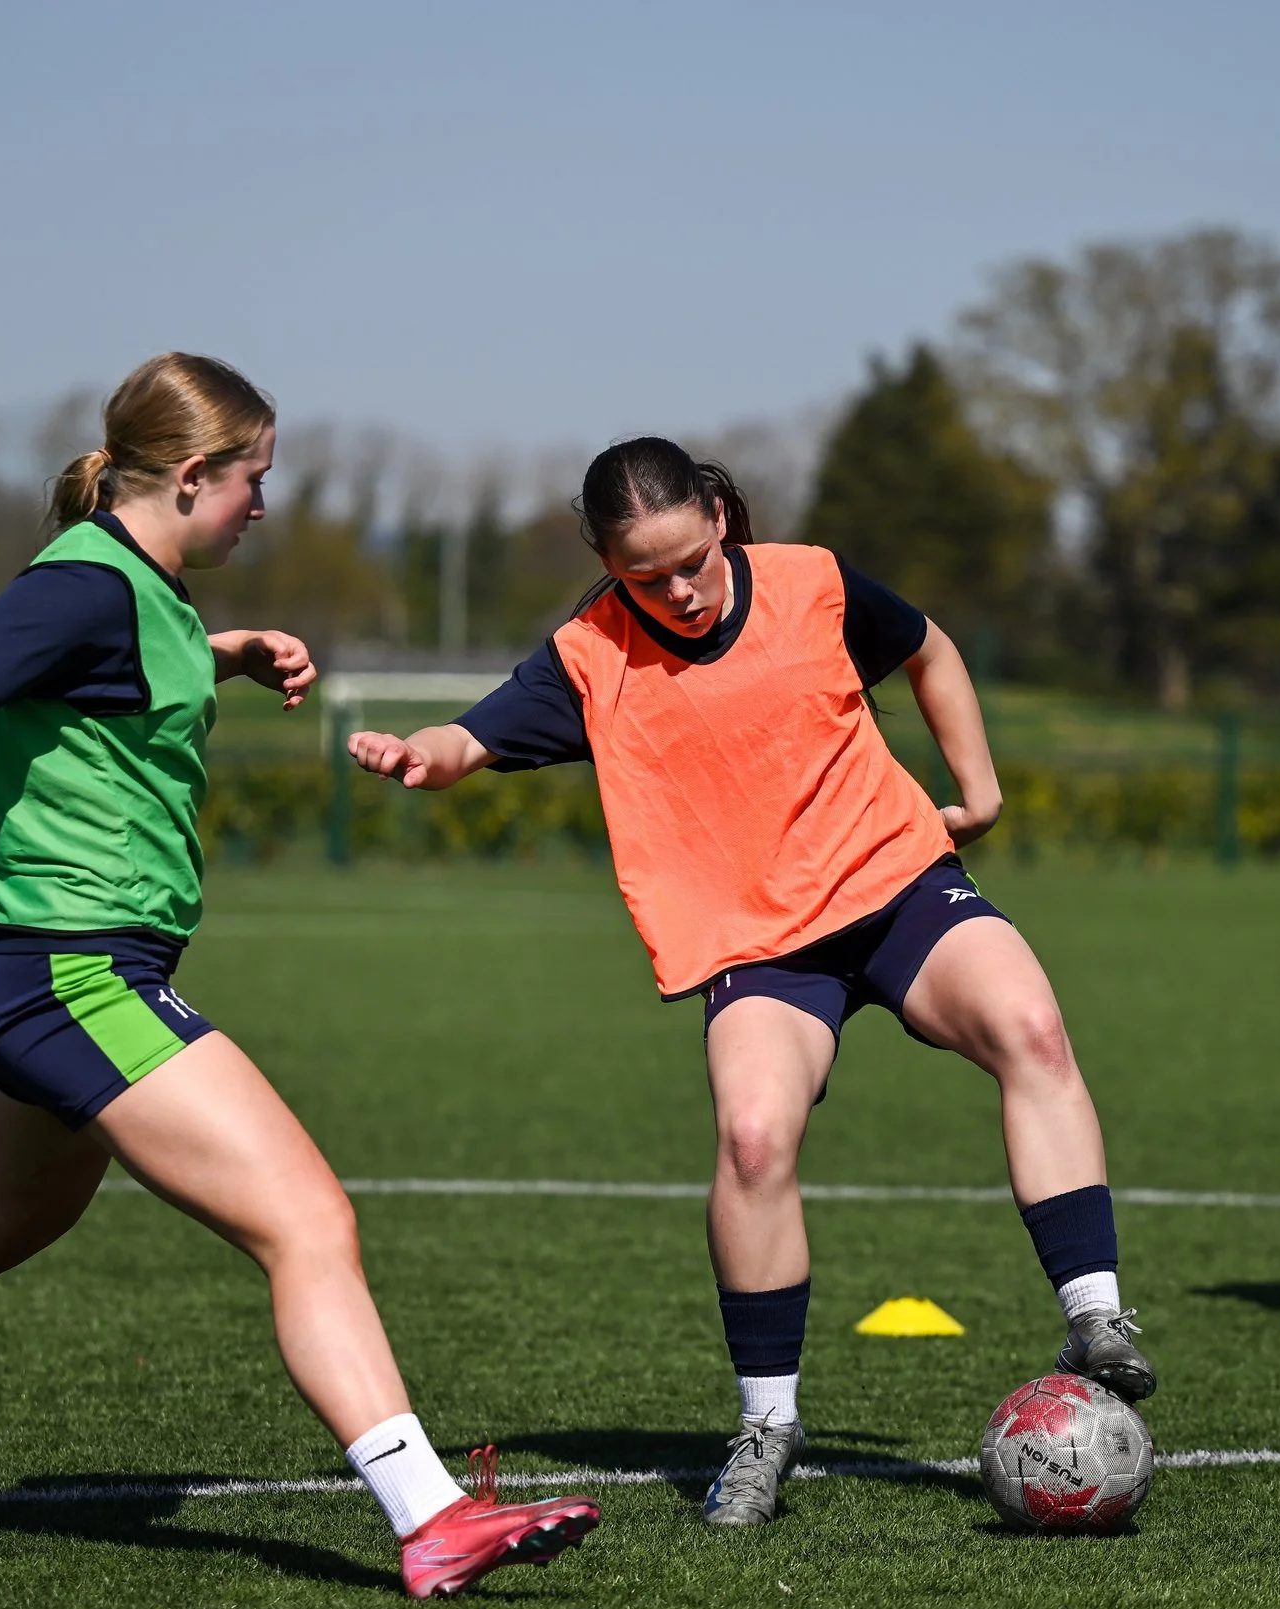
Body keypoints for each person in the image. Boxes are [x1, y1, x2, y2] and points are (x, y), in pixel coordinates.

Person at [0, 353, 598, 1598]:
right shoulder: (87, 584)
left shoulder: (145, 593)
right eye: (254, 480)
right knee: (308, 1219)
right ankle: (427, 1514)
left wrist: (229, 652)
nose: (265, 504)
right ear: (195, 475)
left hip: (45, 963)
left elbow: (111, 675)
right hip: (70, 970)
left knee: (23, 1208)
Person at [347, 437, 1154, 1529]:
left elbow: (927, 648)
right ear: (604, 559)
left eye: (689, 560)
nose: (675, 591)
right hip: (759, 943)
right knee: (754, 1138)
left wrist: (980, 789)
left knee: (1029, 1026)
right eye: (645, 575)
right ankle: (767, 1426)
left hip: (896, 882)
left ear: (719, 514)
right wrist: (419, 754)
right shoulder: (593, 655)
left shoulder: (811, 584)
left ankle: (1095, 1317)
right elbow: (474, 735)